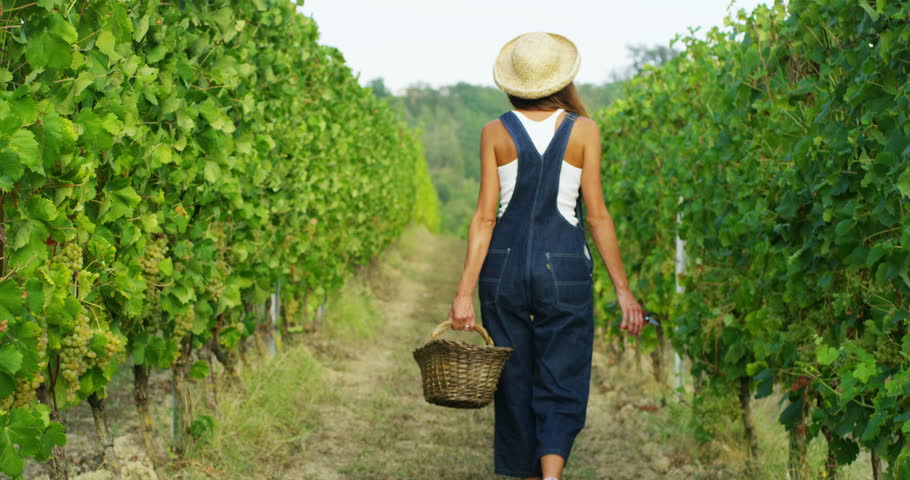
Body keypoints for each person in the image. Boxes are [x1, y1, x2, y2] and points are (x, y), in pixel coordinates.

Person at [447, 32, 645, 480]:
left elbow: (484, 218)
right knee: (563, 373)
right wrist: (623, 291)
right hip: (566, 270)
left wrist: (463, 294)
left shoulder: (495, 132)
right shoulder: (584, 131)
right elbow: (597, 217)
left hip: (503, 270)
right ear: (561, 80)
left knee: (514, 378)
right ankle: (551, 477)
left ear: (513, 82)